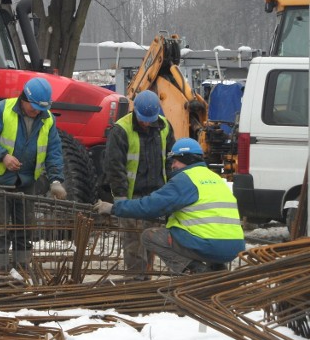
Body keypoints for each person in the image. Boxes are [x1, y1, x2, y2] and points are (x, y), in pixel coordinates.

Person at [94, 138, 246, 275]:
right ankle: (218, 272)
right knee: (206, 235)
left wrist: (114, 208)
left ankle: (195, 271)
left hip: (208, 245)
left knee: (149, 236)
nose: (172, 165)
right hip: (234, 246)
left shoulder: (185, 179)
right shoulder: (215, 178)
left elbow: (149, 206)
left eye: (175, 161)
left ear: (186, 158)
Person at [0, 77, 67, 271]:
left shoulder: (47, 119)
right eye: (33, 107)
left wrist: (56, 179)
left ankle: (22, 266)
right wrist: (3, 156)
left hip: (26, 179)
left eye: (40, 108)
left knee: (25, 225)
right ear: (23, 98)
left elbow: (54, 151)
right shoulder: (2, 110)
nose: (36, 112)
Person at [103, 89, 175, 280]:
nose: (146, 123)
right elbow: (114, 165)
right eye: (143, 119)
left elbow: (170, 161)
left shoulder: (164, 126)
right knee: (133, 239)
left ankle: (147, 275)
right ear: (135, 111)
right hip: (131, 195)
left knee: (151, 237)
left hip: (156, 195)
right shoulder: (121, 129)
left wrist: (170, 191)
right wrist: (120, 199)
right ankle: (135, 278)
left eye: (149, 119)